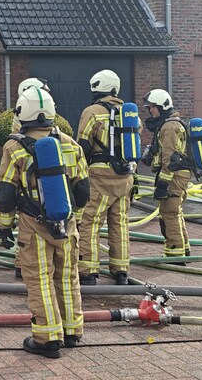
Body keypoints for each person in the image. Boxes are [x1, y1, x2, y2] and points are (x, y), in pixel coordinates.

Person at [0, 87, 89, 358]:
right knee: (67, 277)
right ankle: (72, 332)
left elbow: (6, 195)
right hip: (66, 225)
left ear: (22, 113)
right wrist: (73, 220)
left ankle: (47, 339)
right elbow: (83, 191)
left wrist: (3, 226)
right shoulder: (70, 144)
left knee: (40, 280)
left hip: (33, 225)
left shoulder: (14, 148)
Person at [76, 70, 139, 286]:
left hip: (100, 178)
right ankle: (121, 271)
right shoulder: (130, 113)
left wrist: (77, 175)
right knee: (120, 224)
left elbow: (82, 146)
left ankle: (88, 272)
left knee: (90, 223)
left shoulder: (91, 112)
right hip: (125, 178)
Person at [10, 77, 51, 280]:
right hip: (44, 182)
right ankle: (24, 264)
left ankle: (22, 264)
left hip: (28, 186)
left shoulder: (20, 119)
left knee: (26, 228)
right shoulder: (48, 122)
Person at [143, 89, 191, 260]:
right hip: (177, 174)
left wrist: (163, 184)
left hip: (173, 175)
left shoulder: (169, 127)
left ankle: (175, 253)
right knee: (175, 212)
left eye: (153, 107)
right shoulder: (169, 124)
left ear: (162, 106)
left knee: (169, 213)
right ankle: (184, 248)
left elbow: (170, 159)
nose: (151, 111)